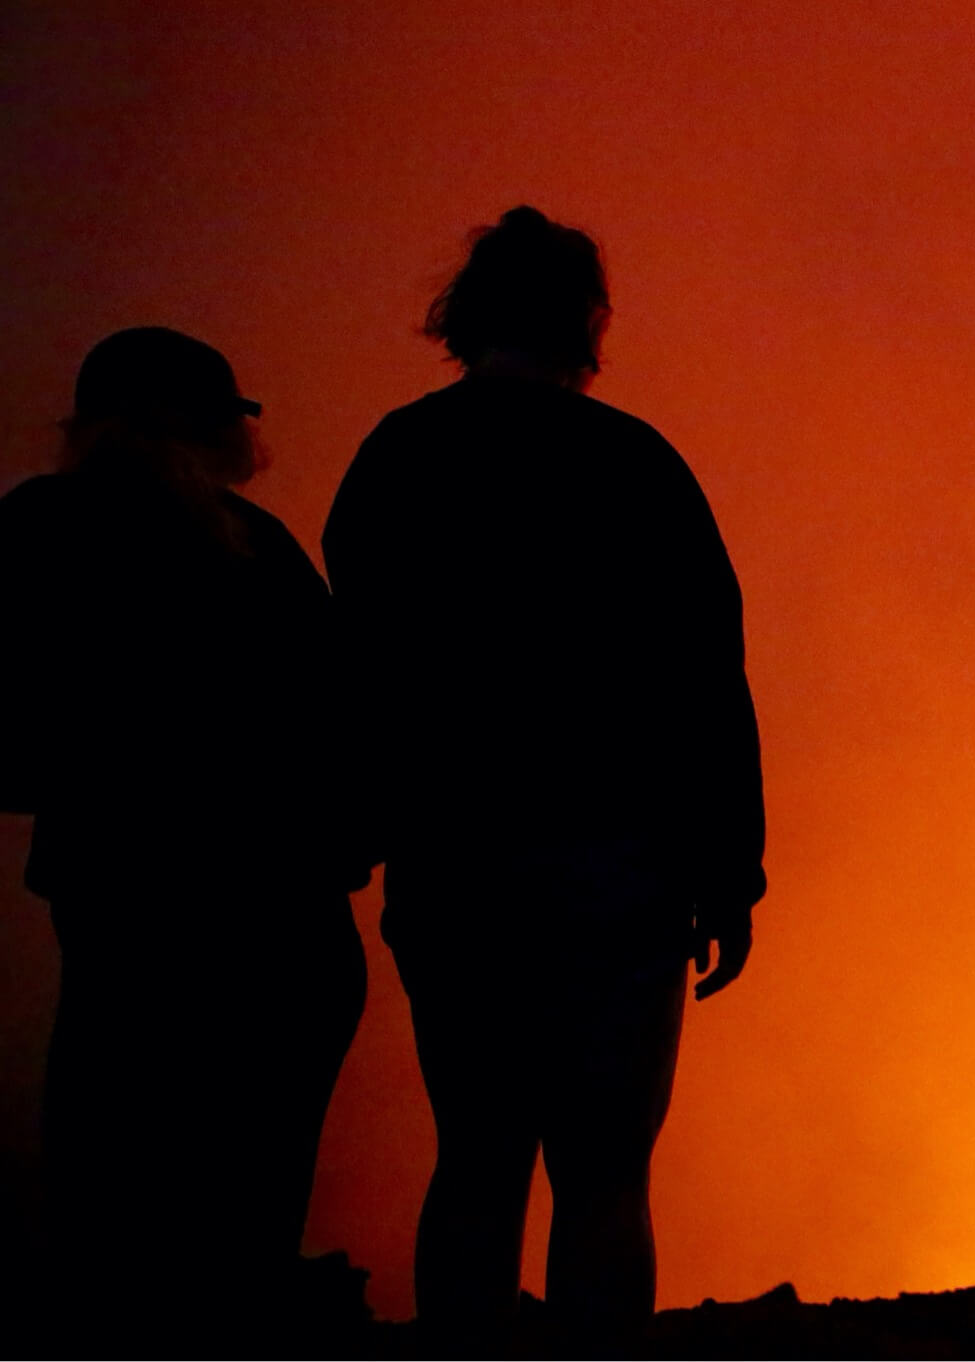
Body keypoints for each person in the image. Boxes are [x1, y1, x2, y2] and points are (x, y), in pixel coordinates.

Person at [322, 206, 765, 1346]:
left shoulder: (397, 458)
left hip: (456, 863)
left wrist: (354, 827)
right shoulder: (634, 465)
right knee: (606, 1171)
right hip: (618, 872)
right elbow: (707, 675)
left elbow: (358, 665)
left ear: (462, 313)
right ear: (587, 321)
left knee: (474, 1155)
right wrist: (729, 872)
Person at [0, 328, 369, 1346]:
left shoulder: (38, 531)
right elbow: (349, 725)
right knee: (245, 1223)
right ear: (208, 429)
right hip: (282, 934)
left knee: (113, 1207)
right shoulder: (259, 551)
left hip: (126, 924)